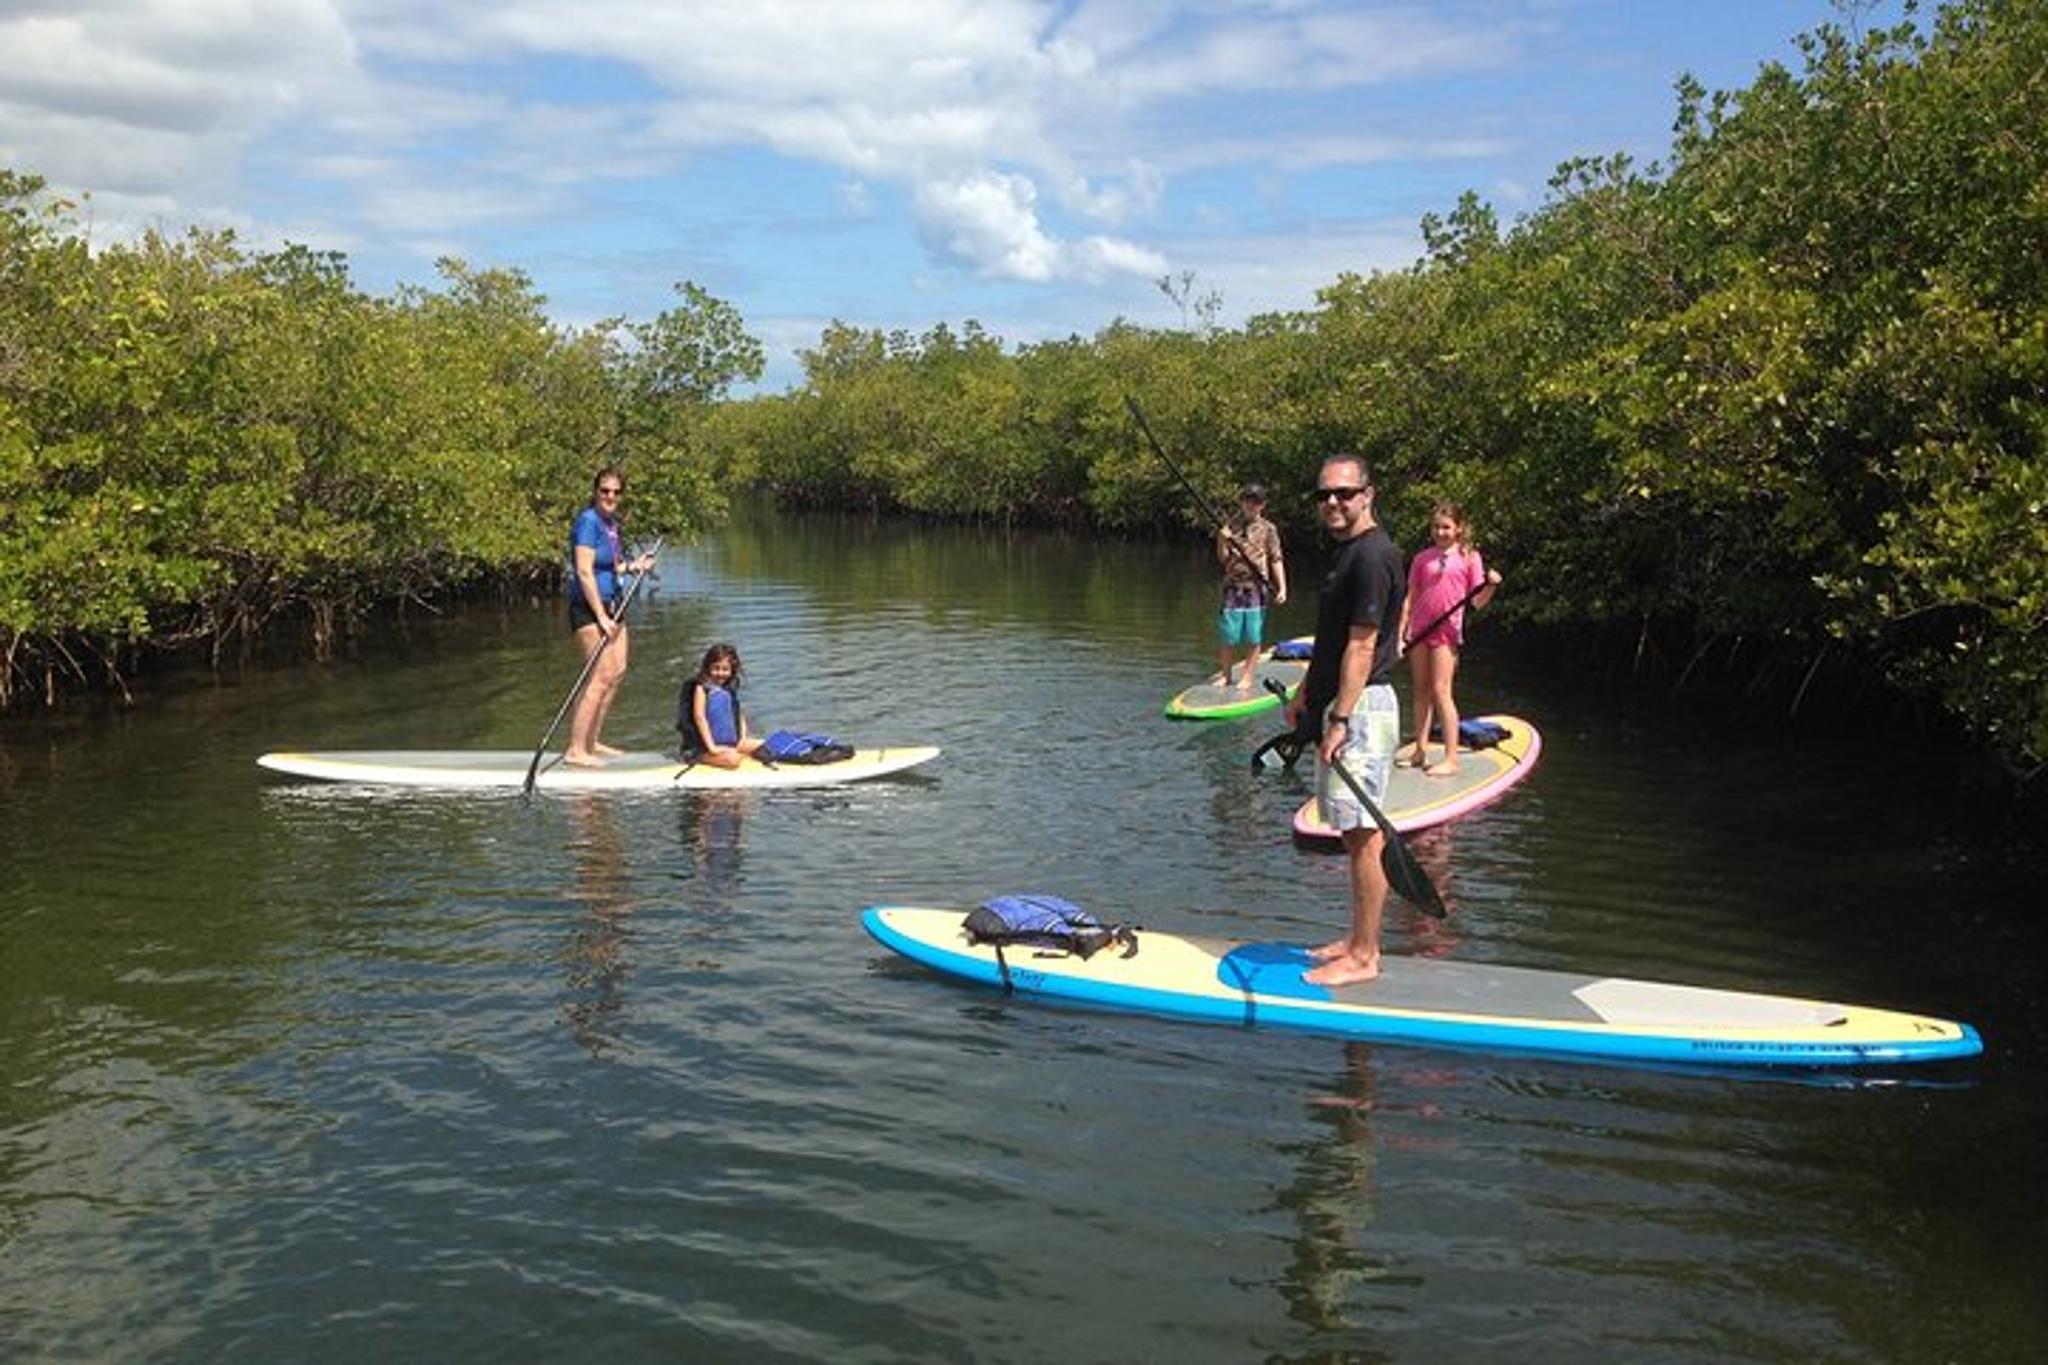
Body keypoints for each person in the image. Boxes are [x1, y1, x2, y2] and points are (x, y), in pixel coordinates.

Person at [1283, 454, 1405, 987]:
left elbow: (1362, 646)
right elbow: (1330, 636)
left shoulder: (1374, 556)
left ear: (1368, 494)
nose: (1333, 502)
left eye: (1344, 493)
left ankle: (1365, 955)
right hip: (1340, 700)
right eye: (1324, 494)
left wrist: (1340, 718)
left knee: (1363, 837)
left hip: (1363, 706)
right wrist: (1307, 691)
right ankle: (1356, 940)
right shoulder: (1345, 553)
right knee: (1352, 832)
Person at [1397, 502, 1502, 777]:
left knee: (1441, 691)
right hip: (1419, 629)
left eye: (1446, 527)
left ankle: (1451, 757)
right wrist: (1401, 634)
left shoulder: (1470, 557)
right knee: (1420, 691)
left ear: (1458, 529)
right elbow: (1411, 598)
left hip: (1447, 632)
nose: (1440, 532)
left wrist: (1491, 585)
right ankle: (1420, 749)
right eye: (1436, 527)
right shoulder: (1422, 559)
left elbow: (1478, 602)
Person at [564, 467, 657, 766]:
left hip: (614, 604)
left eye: (616, 492)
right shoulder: (589, 521)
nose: (610, 496)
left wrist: (635, 566)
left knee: (617, 673)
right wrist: (601, 615)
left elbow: (612, 567)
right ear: (595, 492)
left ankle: (592, 741)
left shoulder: (611, 524)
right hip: (591, 609)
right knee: (600, 677)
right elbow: (584, 570)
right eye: (605, 490)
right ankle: (576, 750)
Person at [1215, 484, 1287, 690]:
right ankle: (1226, 676)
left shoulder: (1268, 529)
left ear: (1262, 505)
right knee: (1228, 634)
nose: (1251, 506)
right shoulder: (1230, 527)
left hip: (1257, 587)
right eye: (1248, 501)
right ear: (1242, 502)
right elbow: (1223, 558)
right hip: (1232, 586)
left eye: (1256, 502)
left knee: (1253, 635)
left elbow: (1276, 559)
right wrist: (1221, 540)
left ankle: (1247, 676)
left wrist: (1282, 587)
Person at [677, 643, 765, 769]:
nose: (720, 673)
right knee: (733, 760)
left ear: (732, 669)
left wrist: (743, 739)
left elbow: (738, 714)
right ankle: (698, 757)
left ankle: (733, 752)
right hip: (702, 747)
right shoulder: (701, 688)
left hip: (730, 744)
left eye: (725, 669)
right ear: (708, 667)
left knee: (764, 745)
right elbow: (699, 717)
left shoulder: (729, 688)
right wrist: (712, 748)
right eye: (716, 668)